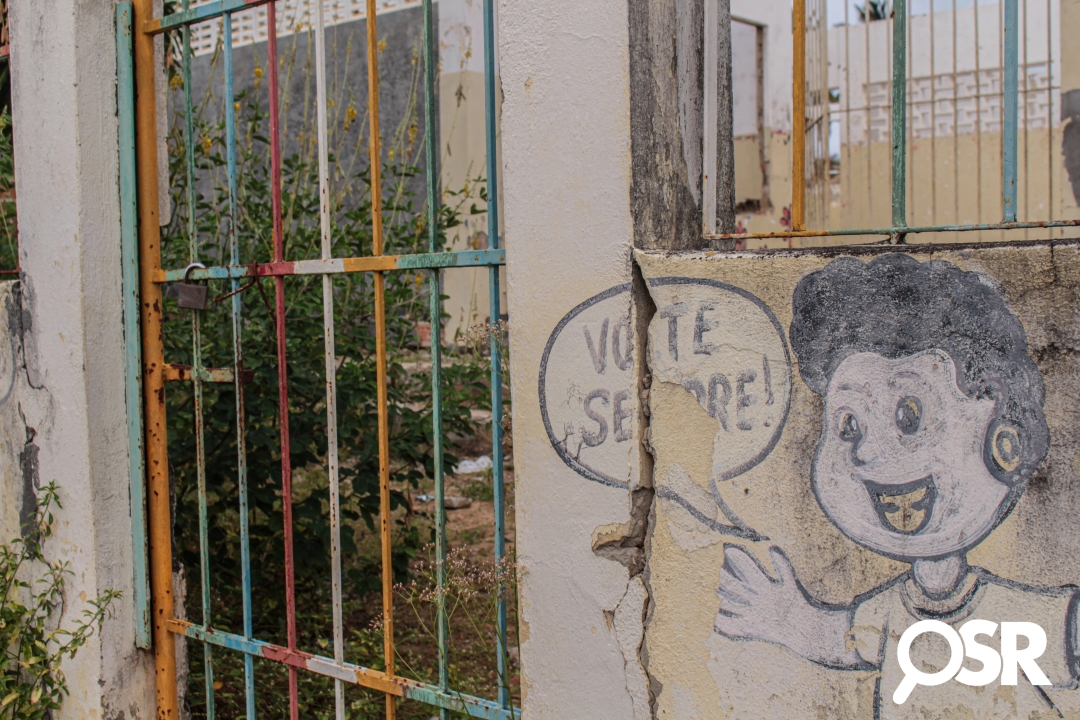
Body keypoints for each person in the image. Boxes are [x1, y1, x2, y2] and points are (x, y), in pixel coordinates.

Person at [713, 254, 1078, 716]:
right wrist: (784, 617)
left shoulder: (1011, 615)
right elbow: (839, 639)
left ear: (1004, 435)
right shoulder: (890, 611)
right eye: (848, 426)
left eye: (909, 416)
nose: (867, 452)